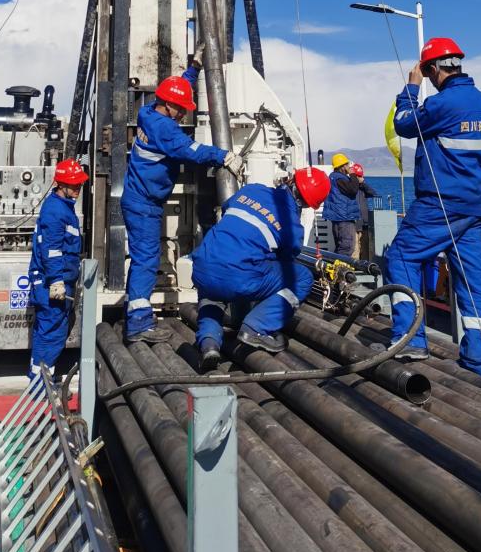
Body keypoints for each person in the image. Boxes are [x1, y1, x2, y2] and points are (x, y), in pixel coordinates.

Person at [383, 38, 481, 376]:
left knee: (402, 256)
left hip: (439, 205)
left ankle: (410, 340)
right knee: (473, 280)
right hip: (475, 209)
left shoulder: (441, 104)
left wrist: (411, 87)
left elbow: (404, 123)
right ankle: (479, 360)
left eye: (427, 72)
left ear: (434, 69)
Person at [122, 53, 245, 343]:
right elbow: (193, 152)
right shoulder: (165, 129)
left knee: (143, 259)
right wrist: (224, 156)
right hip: (144, 205)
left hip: (138, 199)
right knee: (146, 261)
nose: (183, 115)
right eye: (180, 109)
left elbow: (175, 90)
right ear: (168, 105)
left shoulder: (148, 111)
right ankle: (138, 324)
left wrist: (194, 69)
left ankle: (136, 315)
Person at [191, 166, 331, 370]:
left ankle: (209, 342)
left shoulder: (252, 189)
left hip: (203, 266)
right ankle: (256, 328)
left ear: (290, 180)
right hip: (238, 277)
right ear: (309, 205)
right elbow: (285, 261)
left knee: (212, 292)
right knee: (301, 277)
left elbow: (227, 207)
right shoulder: (292, 226)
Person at [28, 157, 89, 376]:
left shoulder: (63, 207)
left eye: (79, 183)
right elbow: (52, 250)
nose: (78, 187)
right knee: (52, 333)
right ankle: (41, 383)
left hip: (58, 280)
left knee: (48, 331)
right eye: (74, 184)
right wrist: (56, 281)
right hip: (51, 284)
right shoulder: (56, 211)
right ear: (61, 184)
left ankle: (42, 380)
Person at [322, 153, 360, 258]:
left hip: (339, 217)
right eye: (347, 165)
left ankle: (335, 266)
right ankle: (339, 267)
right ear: (342, 166)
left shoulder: (334, 178)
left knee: (340, 247)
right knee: (346, 247)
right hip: (344, 217)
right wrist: (353, 175)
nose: (348, 167)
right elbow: (353, 189)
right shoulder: (339, 178)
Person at [349, 163, 379, 261]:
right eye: (357, 176)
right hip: (354, 223)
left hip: (365, 224)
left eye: (360, 176)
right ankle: (354, 266)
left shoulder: (363, 188)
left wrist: (363, 184)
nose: (359, 178)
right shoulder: (349, 188)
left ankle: (365, 266)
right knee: (355, 249)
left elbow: (374, 194)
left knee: (365, 248)